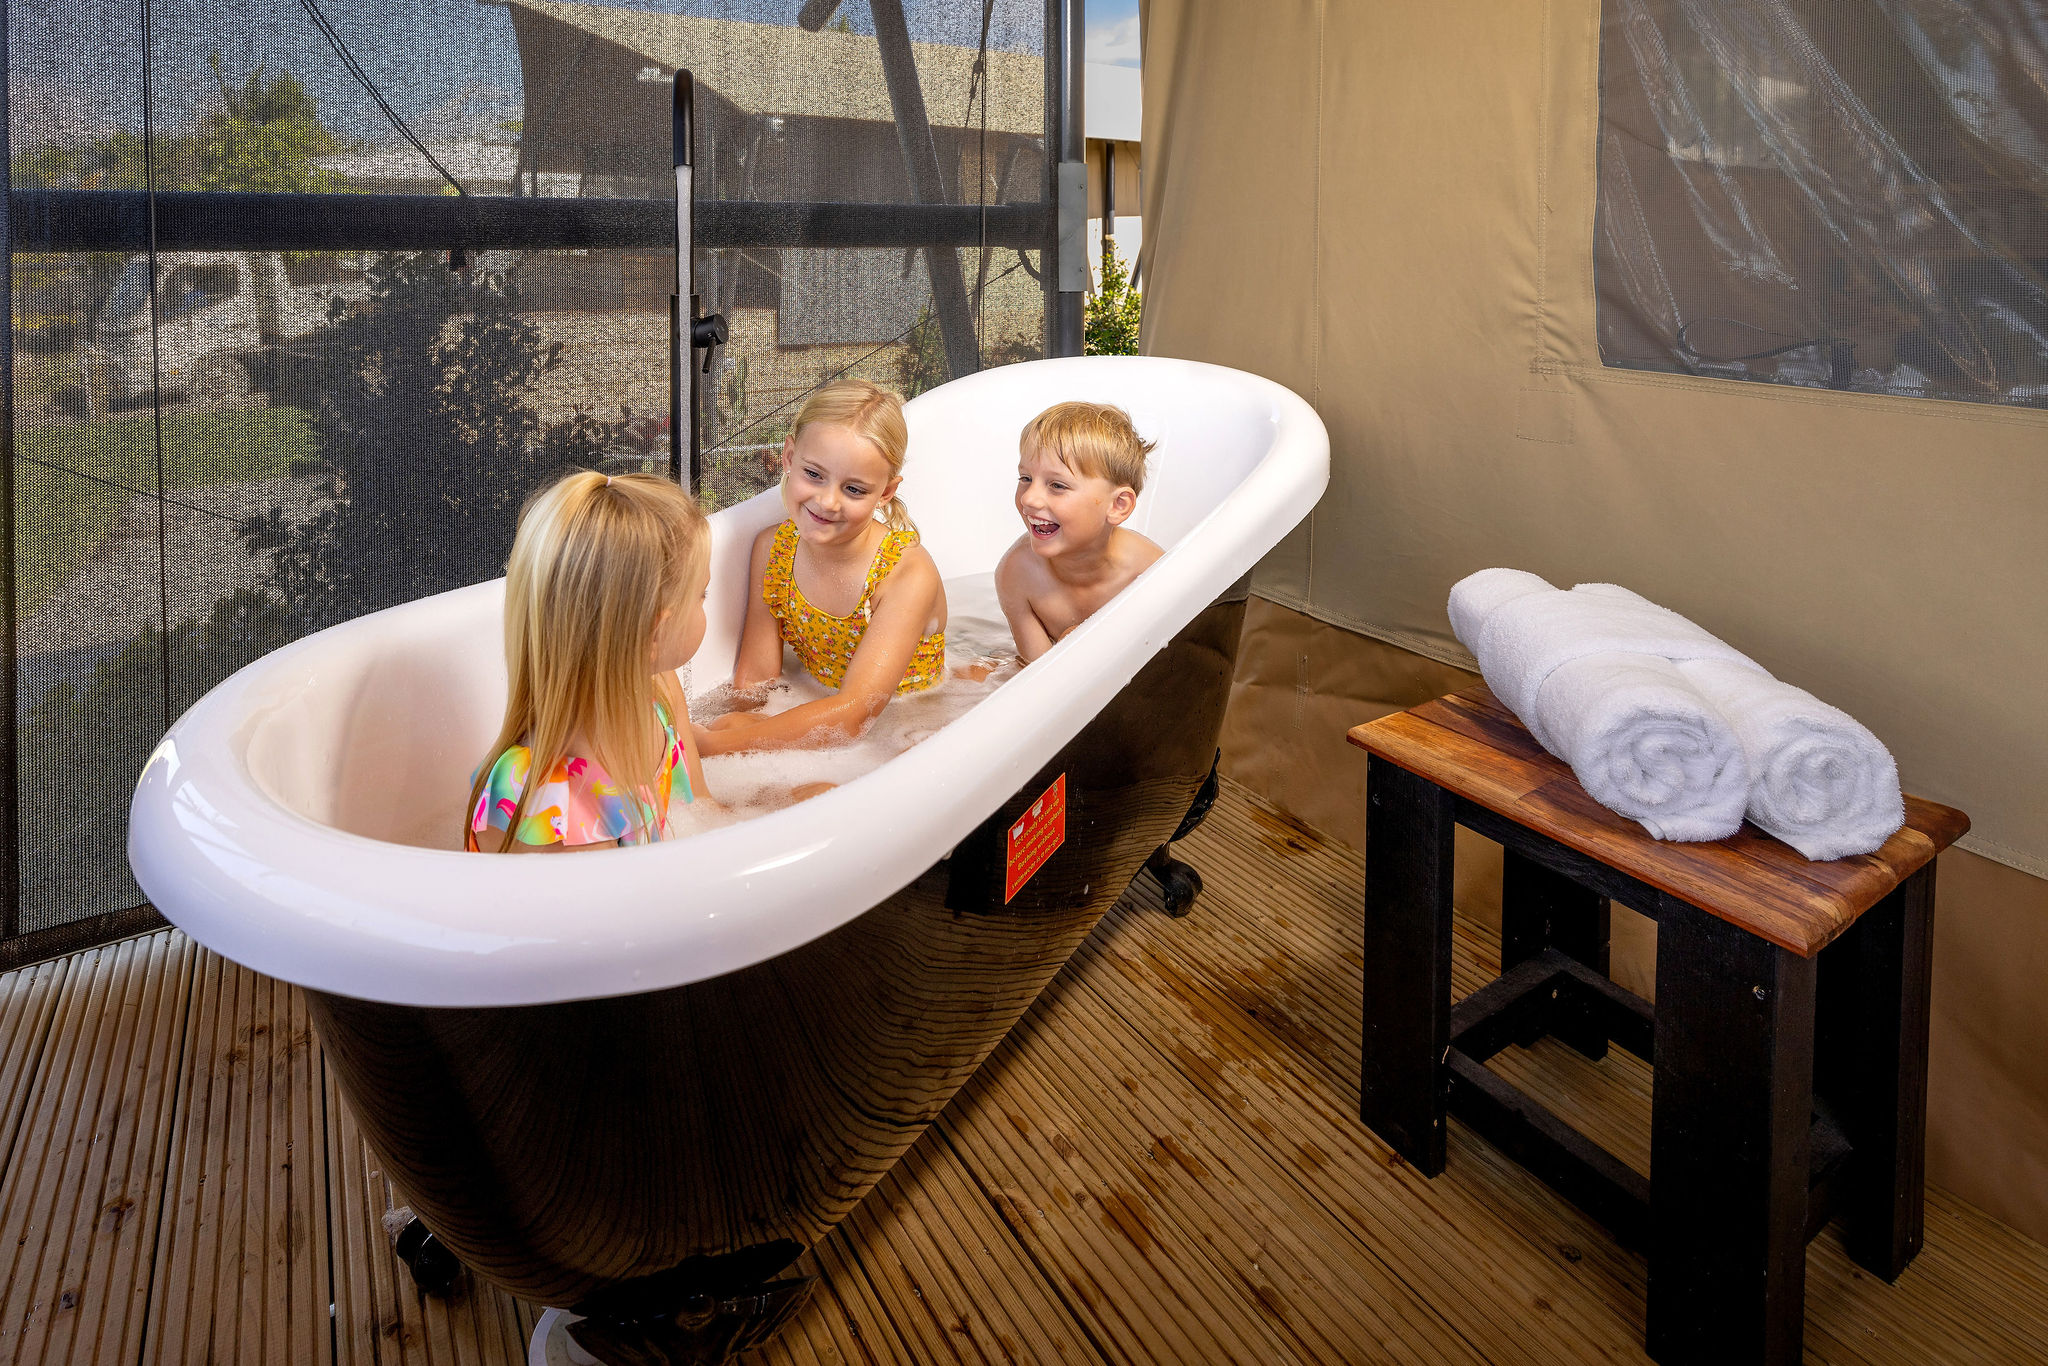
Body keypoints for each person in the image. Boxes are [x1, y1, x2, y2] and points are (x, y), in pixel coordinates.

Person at [466, 471, 713, 852]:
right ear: (655, 632)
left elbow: (706, 810)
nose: (704, 603)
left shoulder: (658, 690)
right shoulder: (552, 811)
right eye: (702, 595)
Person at [703, 379, 947, 754]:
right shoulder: (774, 549)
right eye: (814, 475)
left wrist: (710, 746)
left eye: (854, 489)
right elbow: (755, 683)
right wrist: (727, 728)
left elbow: (855, 716)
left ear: (885, 492)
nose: (827, 502)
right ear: (789, 456)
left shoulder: (906, 573)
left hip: (910, 725)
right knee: (730, 724)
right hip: (829, 718)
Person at [996, 401, 1163, 662]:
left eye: (1057, 485)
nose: (1029, 498)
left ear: (1118, 505)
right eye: (1025, 478)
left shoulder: (1151, 572)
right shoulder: (1016, 572)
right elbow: (1036, 675)